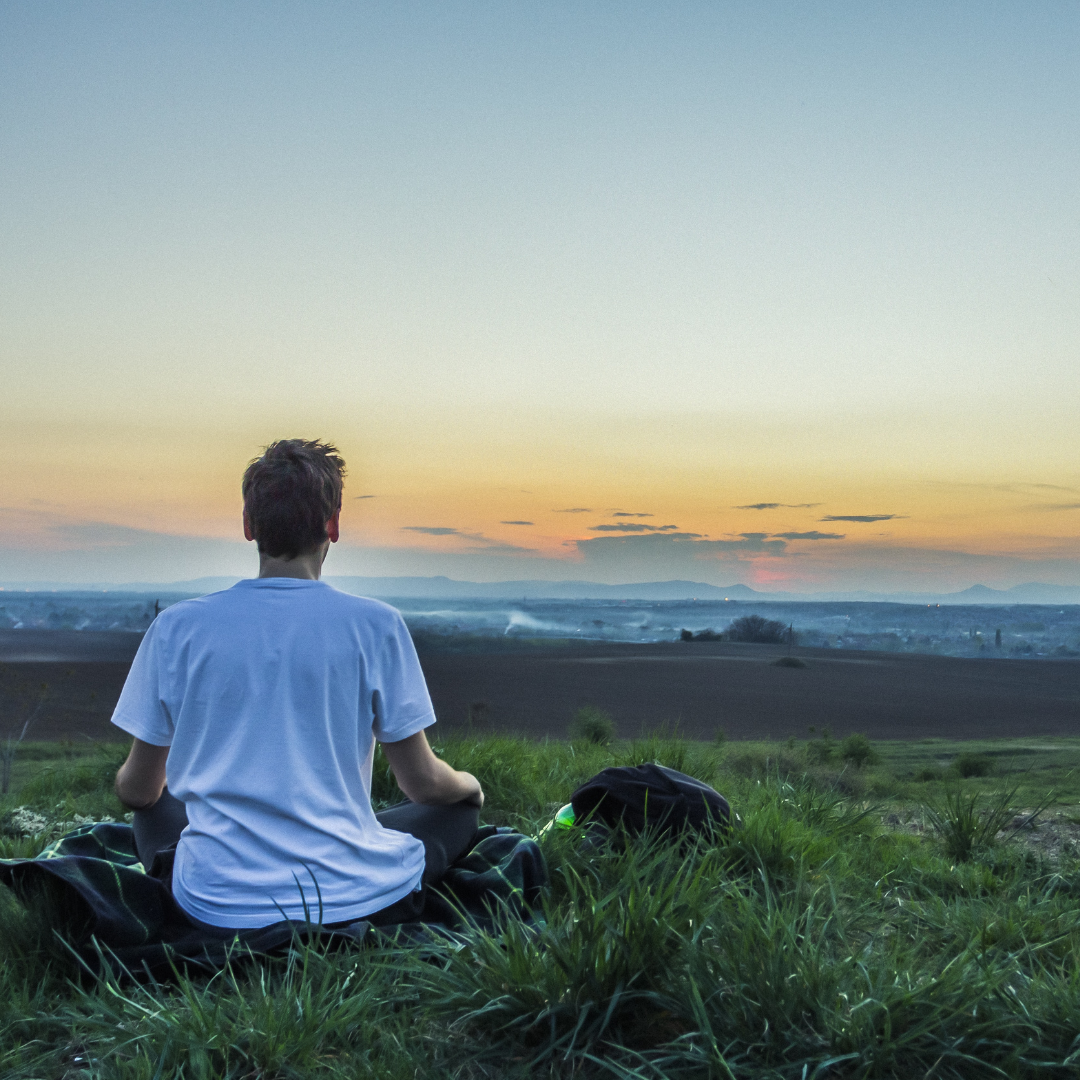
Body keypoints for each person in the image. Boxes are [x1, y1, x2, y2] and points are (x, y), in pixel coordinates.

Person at [111, 439, 483, 933]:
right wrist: (470, 787)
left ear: (248, 526)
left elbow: (137, 791)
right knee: (455, 813)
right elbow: (422, 784)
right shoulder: (376, 625)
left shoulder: (177, 628)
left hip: (215, 903)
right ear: (333, 525)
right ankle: (355, 849)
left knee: (154, 806)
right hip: (351, 896)